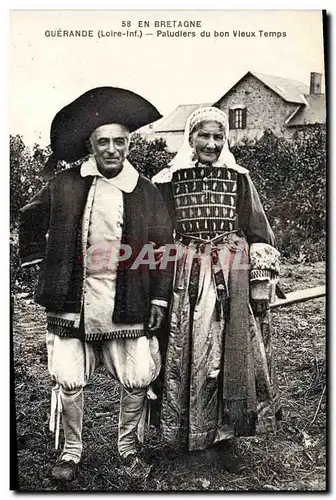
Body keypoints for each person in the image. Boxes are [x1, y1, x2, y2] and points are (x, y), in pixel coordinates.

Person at [19, 87, 173, 483]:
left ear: (128, 144)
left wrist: (158, 295)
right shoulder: (66, 183)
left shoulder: (144, 190)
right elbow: (30, 216)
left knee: (139, 374)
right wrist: (42, 263)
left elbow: (162, 246)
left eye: (119, 141)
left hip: (128, 299)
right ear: (91, 146)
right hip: (73, 300)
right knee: (69, 379)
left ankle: (128, 447)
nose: (111, 149)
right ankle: (71, 452)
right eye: (103, 142)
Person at [152, 106, 281, 453]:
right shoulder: (168, 180)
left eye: (218, 136)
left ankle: (226, 436)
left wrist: (258, 279)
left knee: (230, 351)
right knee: (190, 352)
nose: (211, 143)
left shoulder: (239, 177)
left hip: (232, 272)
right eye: (203, 136)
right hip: (186, 274)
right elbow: (158, 234)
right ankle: (191, 434)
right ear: (190, 138)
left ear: (225, 139)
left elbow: (258, 229)